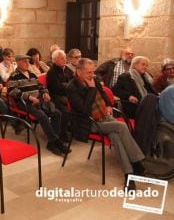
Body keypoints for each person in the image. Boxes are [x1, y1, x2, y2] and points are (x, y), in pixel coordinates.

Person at [67, 58, 146, 190]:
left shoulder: (94, 79)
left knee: (116, 136)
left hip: (105, 116)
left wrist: (109, 104)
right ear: (79, 71)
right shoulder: (72, 87)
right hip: (89, 123)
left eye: (92, 72)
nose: (91, 75)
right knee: (122, 126)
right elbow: (84, 110)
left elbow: (104, 94)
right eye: (88, 72)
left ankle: (129, 175)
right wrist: (91, 89)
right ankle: (137, 162)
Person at [8, 55, 68, 155]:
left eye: (28, 61)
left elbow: (40, 86)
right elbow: (12, 91)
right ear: (18, 63)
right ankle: (56, 141)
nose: (28, 64)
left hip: (38, 100)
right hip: (25, 102)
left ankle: (51, 143)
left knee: (57, 113)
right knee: (42, 116)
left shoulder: (32, 74)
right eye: (24, 62)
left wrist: (45, 92)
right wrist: (29, 97)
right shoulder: (14, 76)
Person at [46, 50, 73, 140]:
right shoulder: (52, 72)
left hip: (67, 94)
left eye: (65, 58)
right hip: (55, 96)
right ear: (55, 60)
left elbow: (74, 82)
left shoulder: (67, 69)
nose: (65, 60)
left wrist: (66, 86)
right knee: (65, 111)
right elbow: (57, 88)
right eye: (62, 58)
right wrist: (68, 86)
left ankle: (74, 129)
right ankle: (62, 134)